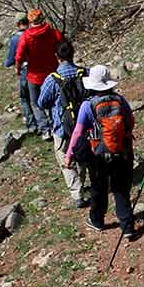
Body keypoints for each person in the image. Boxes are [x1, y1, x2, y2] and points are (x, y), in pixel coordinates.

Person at [65, 65, 136, 236]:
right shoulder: (120, 100)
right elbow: (131, 122)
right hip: (123, 151)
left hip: (99, 154)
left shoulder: (88, 105)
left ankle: (97, 220)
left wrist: (69, 154)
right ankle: (127, 226)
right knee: (121, 189)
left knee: (99, 187)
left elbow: (77, 132)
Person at [39, 40, 89, 208]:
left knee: (64, 158)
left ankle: (77, 193)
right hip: (83, 124)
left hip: (61, 127)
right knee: (81, 154)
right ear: (72, 54)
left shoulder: (52, 79)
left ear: (57, 57)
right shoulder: (84, 73)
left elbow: (41, 102)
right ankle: (81, 182)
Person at [13, 8, 64, 138]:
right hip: (52, 73)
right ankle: (56, 125)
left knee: (36, 103)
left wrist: (18, 69)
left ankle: (45, 129)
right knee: (53, 100)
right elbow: (63, 46)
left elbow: (19, 56)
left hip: (34, 76)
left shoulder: (26, 37)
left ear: (30, 21)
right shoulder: (53, 33)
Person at [2, 15, 37, 127]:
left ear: (18, 24)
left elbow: (11, 59)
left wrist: (7, 63)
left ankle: (32, 124)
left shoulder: (16, 38)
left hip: (26, 71)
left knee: (25, 98)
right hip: (41, 68)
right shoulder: (36, 33)